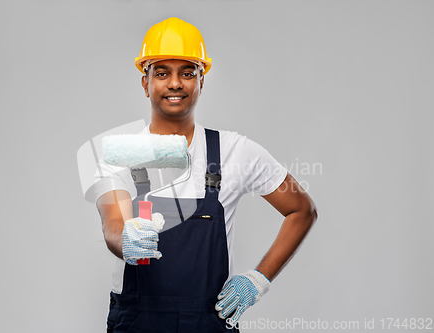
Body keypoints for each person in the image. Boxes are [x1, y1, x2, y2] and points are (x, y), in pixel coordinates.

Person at [95, 17, 317, 332]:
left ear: (202, 81)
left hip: (208, 322)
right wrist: (126, 240)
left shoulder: (234, 151)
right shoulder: (118, 156)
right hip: (136, 321)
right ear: (145, 83)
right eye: (161, 73)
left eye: (187, 72)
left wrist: (258, 279)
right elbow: (112, 225)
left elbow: (302, 209)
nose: (175, 83)